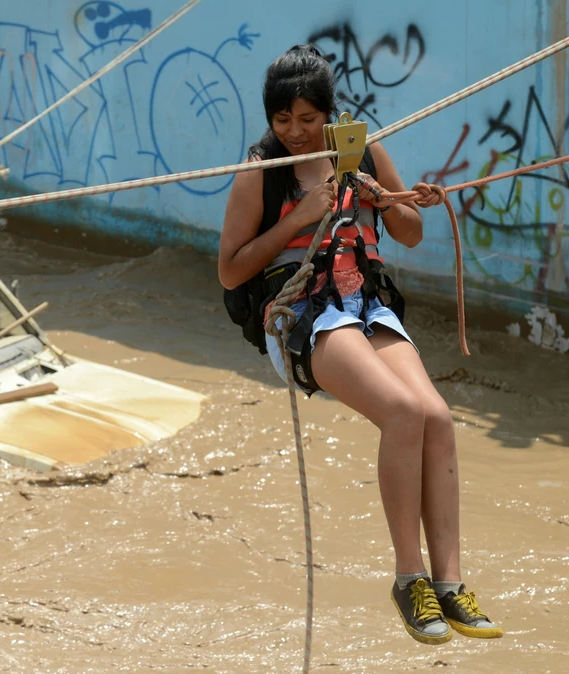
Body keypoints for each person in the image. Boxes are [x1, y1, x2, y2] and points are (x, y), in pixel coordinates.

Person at [218, 44, 503, 645]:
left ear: (328, 113)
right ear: (269, 119)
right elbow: (230, 271)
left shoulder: (363, 152)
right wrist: (298, 219)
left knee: (436, 417)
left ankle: (450, 585)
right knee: (400, 413)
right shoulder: (260, 175)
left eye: (308, 119)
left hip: (365, 302)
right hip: (304, 315)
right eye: (282, 120)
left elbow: (411, 232)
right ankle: (409, 578)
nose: (296, 133)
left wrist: (386, 200)